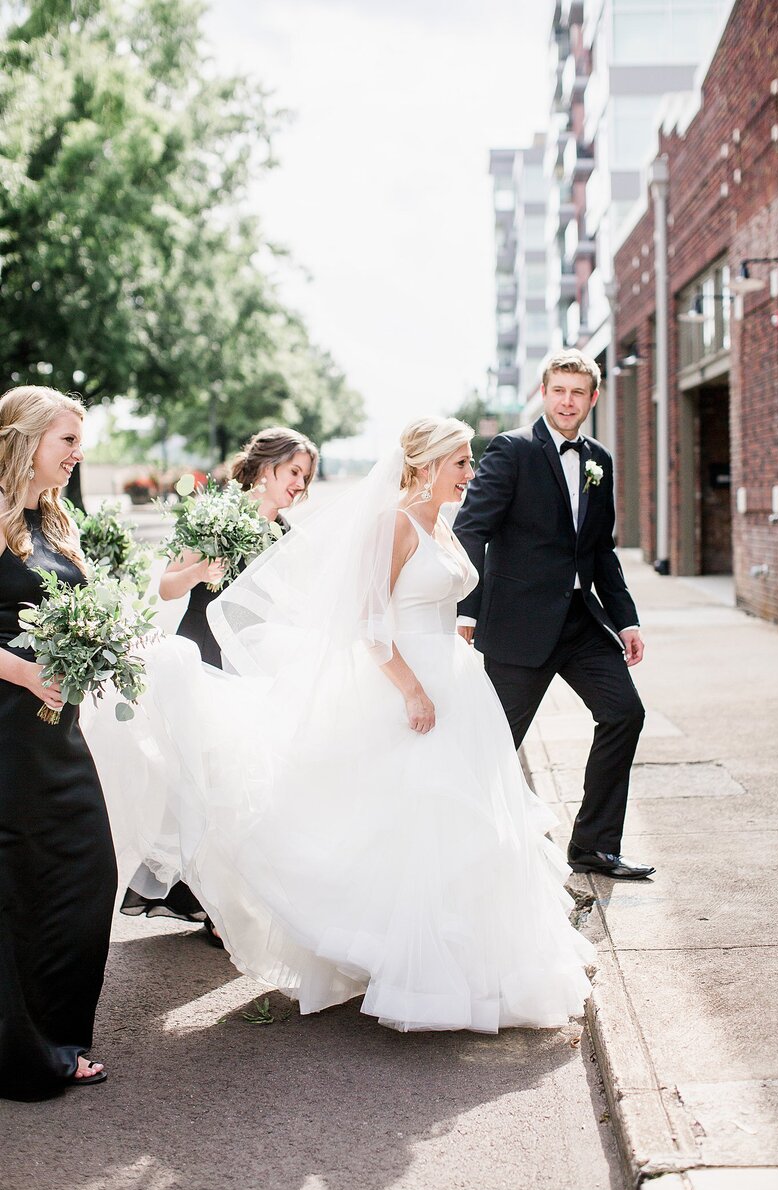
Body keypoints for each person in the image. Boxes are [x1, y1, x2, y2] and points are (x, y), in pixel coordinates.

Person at [88, 417, 594, 1033]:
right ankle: (398, 959)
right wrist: (411, 688)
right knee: (406, 822)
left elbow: (428, 596)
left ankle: (470, 964)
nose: (472, 472)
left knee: (464, 825)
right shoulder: (394, 523)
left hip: (456, 684)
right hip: (405, 687)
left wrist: (454, 634)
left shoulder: (443, 523)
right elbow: (369, 617)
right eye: (462, 461)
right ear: (429, 464)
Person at [453, 349, 652, 880]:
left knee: (624, 713)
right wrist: (466, 609)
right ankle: (459, 847)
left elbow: (600, 550)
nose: (568, 401)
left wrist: (625, 619)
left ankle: (593, 846)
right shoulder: (511, 450)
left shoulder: (599, 461)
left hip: (582, 623)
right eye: (559, 390)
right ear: (544, 393)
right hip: (518, 624)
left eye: (578, 392)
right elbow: (473, 529)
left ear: (593, 398)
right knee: (493, 741)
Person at [119, 427, 318, 937]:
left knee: (246, 780)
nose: (300, 484)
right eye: (295, 471)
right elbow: (165, 588)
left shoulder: (287, 536)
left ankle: (224, 897)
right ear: (266, 466)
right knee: (204, 777)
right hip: (202, 660)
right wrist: (201, 570)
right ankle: (208, 899)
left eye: (307, 477)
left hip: (255, 667)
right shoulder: (213, 514)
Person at [0, 385, 117, 1100]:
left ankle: (53, 1032)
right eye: (68, 441)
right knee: (18, 884)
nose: (79, 454)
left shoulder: (57, 516)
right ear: (25, 440)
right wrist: (23, 671)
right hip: (9, 729)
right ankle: (28, 1053)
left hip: (58, 732)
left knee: (84, 871)